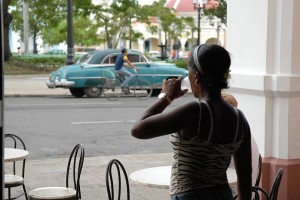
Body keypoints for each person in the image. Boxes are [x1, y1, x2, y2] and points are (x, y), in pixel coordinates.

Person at [131, 44, 252, 200]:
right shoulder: (239, 118)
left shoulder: (195, 112)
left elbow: (138, 129)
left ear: (196, 77)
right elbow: (245, 175)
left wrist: (166, 97)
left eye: (189, 73)